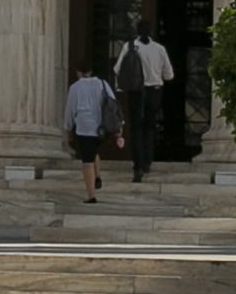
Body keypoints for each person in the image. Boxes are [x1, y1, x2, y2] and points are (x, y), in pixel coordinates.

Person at [113, 24, 178, 182]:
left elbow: (117, 69)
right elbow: (169, 75)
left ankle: (138, 166)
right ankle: (147, 162)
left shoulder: (130, 46)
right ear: (150, 33)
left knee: (136, 128)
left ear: (137, 31)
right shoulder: (159, 49)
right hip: (154, 91)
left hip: (136, 92)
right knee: (149, 126)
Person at [64, 60, 120, 201]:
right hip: (102, 128)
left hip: (84, 127)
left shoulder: (75, 88)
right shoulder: (102, 84)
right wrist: (119, 125)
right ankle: (98, 176)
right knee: (94, 150)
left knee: (87, 161)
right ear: (90, 71)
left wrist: (67, 128)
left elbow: (70, 110)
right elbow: (113, 104)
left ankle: (91, 195)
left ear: (78, 72)